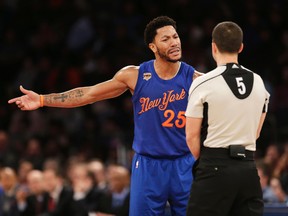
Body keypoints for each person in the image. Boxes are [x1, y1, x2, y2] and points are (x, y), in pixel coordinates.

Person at [8, 16, 201, 215]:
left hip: (184, 163)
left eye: (175, 37)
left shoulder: (196, 79)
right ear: (153, 47)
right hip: (147, 165)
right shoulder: (134, 75)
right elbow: (89, 94)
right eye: (166, 39)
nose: (174, 42)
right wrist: (41, 99)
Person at [185, 21, 270, 216]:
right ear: (241, 47)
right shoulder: (259, 82)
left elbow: (191, 136)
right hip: (248, 169)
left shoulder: (203, 82)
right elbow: (256, 132)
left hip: (214, 166)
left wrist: (208, 161)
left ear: (213, 46)